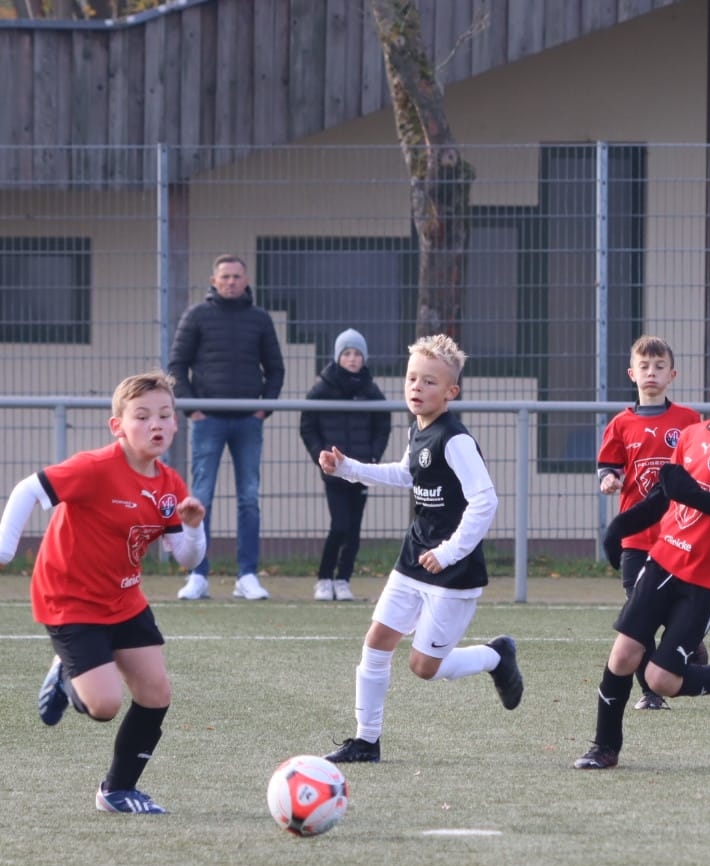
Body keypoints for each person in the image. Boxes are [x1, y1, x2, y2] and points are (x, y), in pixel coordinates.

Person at [0, 371, 206, 815]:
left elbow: (187, 559)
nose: (155, 424)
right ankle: (67, 671)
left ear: (176, 424)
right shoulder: (95, 467)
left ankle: (117, 791)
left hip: (125, 599)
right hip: (69, 599)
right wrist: (1, 553)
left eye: (164, 415)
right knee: (103, 707)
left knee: (156, 693)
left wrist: (193, 528)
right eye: (142, 416)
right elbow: (28, 489)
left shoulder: (170, 485)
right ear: (118, 426)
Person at [575, 336, 710, 771]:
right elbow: (664, 498)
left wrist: (695, 497)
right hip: (663, 559)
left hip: (707, 578)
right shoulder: (693, 434)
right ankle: (604, 747)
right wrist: (621, 528)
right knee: (623, 655)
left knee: (661, 679)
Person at [315, 334, 523, 764]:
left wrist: (448, 552)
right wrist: (348, 468)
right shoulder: (418, 429)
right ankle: (366, 741)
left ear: (451, 392)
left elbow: (486, 501)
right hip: (414, 556)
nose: (417, 387)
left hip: (453, 569)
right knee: (377, 641)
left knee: (424, 667)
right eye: (412, 378)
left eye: (429, 382)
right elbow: (406, 473)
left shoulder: (455, 440)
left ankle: (495, 655)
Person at [596, 335, 707, 709]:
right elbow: (608, 467)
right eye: (644, 366)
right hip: (636, 540)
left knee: (673, 611)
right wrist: (609, 480)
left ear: (672, 374)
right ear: (632, 373)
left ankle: (688, 645)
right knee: (638, 617)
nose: (651, 372)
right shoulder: (621, 424)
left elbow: (700, 467)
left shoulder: (688, 421)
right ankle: (650, 692)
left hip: (678, 538)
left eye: (659, 366)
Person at [167, 254, 285, 601]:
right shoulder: (197, 316)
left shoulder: (260, 319)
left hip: (248, 421)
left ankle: (247, 575)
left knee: (249, 498)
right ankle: (197, 575)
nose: (231, 282)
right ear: (214, 281)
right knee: (201, 498)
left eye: (237, 276)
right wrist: (193, 410)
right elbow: (177, 366)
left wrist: (263, 409)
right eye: (225, 276)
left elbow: (275, 368)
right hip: (208, 422)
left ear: (246, 281)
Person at [299, 327, 393, 601]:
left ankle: (343, 580)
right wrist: (321, 455)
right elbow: (308, 425)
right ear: (338, 356)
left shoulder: (370, 389)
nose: (352, 359)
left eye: (357, 354)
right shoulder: (322, 388)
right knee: (339, 525)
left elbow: (382, 424)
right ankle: (324, 578)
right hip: (335, 471)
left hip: (361, 470)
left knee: (354, 529)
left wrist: (373, 455)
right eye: (347, 353)